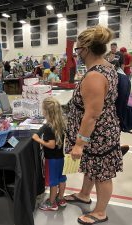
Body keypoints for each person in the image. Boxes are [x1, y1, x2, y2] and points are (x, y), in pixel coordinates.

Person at [64, 25, 123, 225]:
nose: (77, 54)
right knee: (92, 167)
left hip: (98, 134)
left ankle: (100, 212)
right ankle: (84, 194)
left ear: (86, 49)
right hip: (100, 132)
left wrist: (79, 143)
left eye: (77, 50)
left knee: (102, 173)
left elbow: (92, 115)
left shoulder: (95, 76)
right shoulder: (107, 66)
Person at [32, 96, 67, 211]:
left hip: (52, 159)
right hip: (60, 158)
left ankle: (51, 203)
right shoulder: (60, 123)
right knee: (61, 178)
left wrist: (38, 140)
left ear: (46, 111)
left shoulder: (48, 127)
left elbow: (51, 145)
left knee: (53, 182)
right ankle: (60, 199)